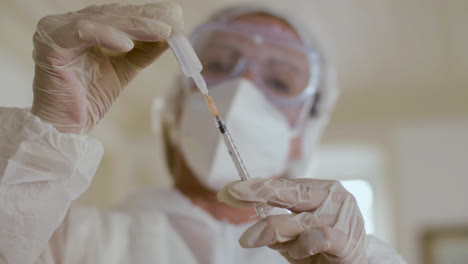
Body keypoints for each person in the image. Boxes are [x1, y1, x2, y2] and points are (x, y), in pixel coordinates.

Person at [0, 2, 406, 264]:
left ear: (304, 132)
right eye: (219, 64)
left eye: (280, 83)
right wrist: (49, 137)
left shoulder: (344, 255)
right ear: (175, 105)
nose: (242, 87)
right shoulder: (66, 241)